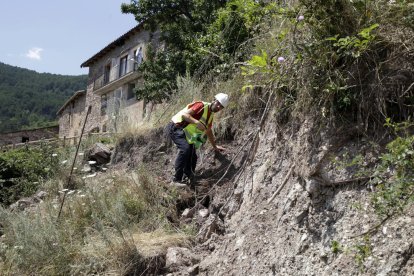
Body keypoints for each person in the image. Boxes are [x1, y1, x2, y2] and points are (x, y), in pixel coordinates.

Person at [167, 93, 229, 187]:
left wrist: (215, 146)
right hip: (176, 126)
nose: (218, 107)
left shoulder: (210, 115)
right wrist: (196, 122)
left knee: (193, 157)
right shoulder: (201, 106)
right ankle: (176, 180)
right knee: (185, 149)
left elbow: (208, 131)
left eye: (221, 106)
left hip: (185, 133)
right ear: (214, 100)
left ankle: (188, 178)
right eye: (218, 103)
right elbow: (184, 115)